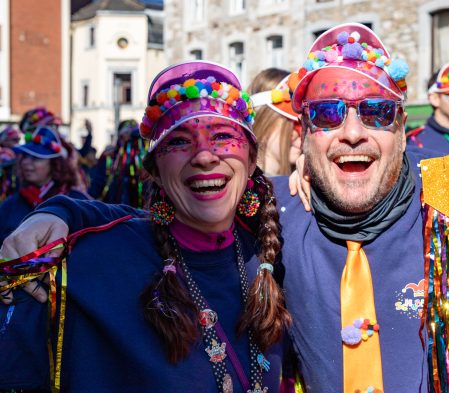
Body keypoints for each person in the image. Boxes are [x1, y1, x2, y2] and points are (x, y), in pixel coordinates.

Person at [3, 24, 449, 393]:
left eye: (377, 113)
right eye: (330, 114)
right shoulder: (278, 211)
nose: (353, 132)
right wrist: (58, 215)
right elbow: (159, 220)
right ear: (302, 136)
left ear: (404, 128)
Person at [0, 61, 291, 392]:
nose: (205, 155)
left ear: (252, 159)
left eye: (223, 136)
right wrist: (57, 213)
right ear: (153, 169)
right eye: (180, 141)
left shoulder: (275, 247)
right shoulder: (83, 264)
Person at [0, 125, 89, 243]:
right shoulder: (11, 204)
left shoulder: (75, 202)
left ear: (55, 164)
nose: (26, 162)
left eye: (36, 158)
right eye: (25, 156)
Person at [249, 68, 302, 176]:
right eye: (294, 123)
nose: (302, 132)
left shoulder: (304, 186)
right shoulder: (240, 187)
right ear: (264, 121)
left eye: (305, 122)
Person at [88, 119, 149, 207]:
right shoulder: (109, 157)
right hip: (112, 211)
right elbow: (97, 185)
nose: (131, 141)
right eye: (126, 134)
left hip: (138, 212)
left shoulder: (143, 161)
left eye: (135, 138)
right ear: (120, 137)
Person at [0, 124, 21, 202]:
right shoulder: (5, 153)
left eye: (18, 140)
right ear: (4, 140)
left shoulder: (15, 153)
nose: (17, 143)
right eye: (14, 140)